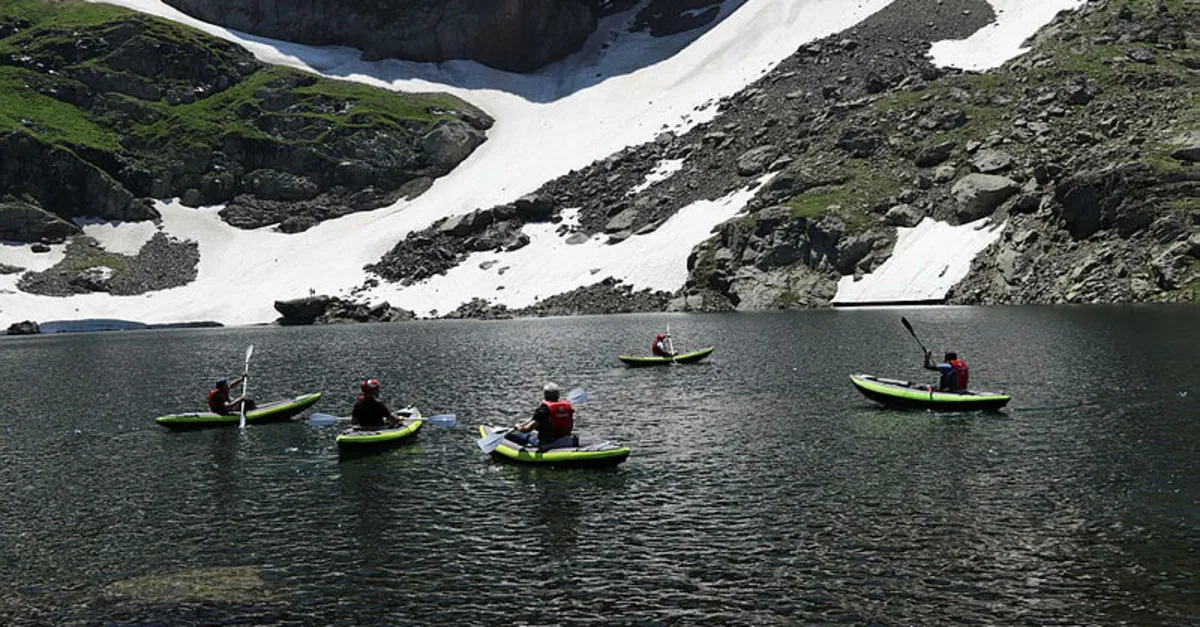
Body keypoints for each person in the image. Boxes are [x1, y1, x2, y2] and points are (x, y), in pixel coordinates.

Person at [512, 382, 576, 450]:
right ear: (558, 395)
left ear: (545, 395)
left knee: (519, 434)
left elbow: (527, 429)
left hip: (548, 444)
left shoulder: (543, 411)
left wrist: (518, 426)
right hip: (567, 441)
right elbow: (570, 425)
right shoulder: (567, 408)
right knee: (535, 433)